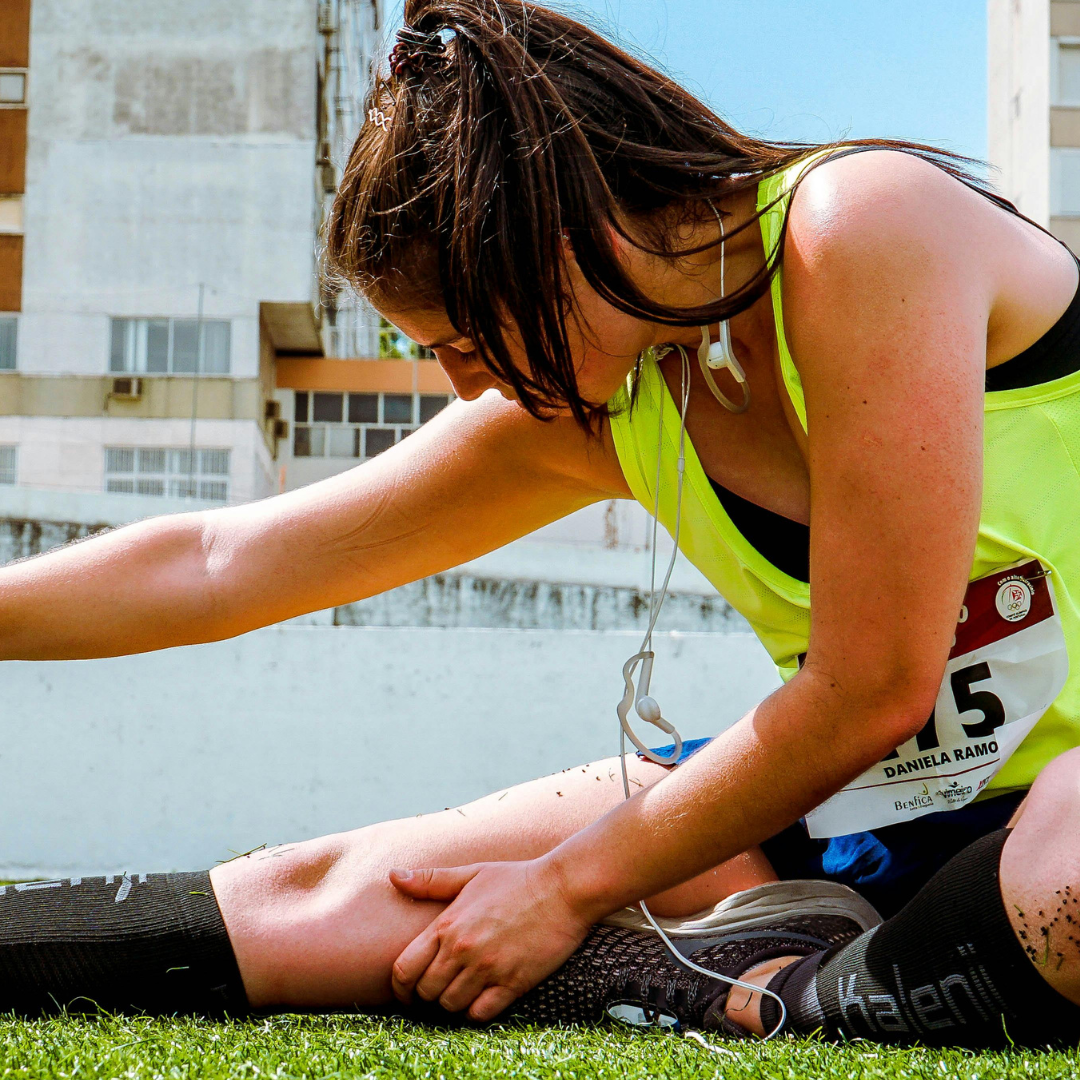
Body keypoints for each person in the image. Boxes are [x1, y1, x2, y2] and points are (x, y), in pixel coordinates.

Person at [3, 0, 1080, 1048]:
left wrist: (566, 888)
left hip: (1053, 823)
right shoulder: (602, 405)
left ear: (551, 239)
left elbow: (873, 687)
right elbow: (218, 563)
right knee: (324, 903)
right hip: (849, 823)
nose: (465, 386)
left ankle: (780, 1000)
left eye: (464, 336)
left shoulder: (865, 226)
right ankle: (812, 966)